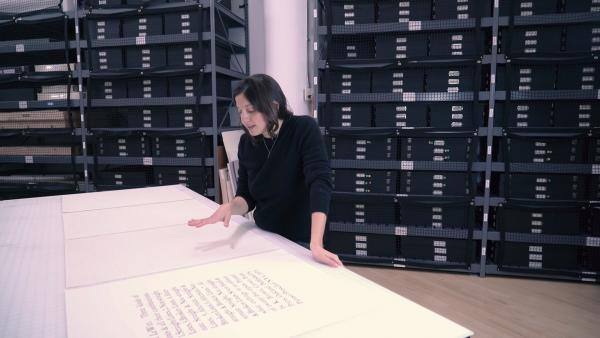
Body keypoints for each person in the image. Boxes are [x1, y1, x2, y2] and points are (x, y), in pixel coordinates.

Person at [188, 74, 342, 267]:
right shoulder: (246, 143)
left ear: (274, 107)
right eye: (240, 111)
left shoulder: (303, 129)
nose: (244, 118)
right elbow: (247, 197)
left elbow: (320, 183)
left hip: (303, 240)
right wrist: (231, 207)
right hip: (264, 236)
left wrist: (316, 244)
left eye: (250, 110)